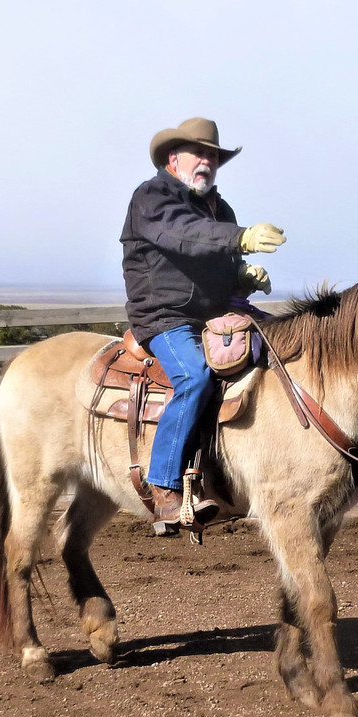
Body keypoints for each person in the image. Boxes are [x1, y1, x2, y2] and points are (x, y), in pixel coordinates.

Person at [120, 117, 285, 533]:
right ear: (174, 158)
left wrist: (242, 275)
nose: (207, 162)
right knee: (194, 376)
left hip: (213, 317)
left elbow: (216, 254)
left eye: (213, 155)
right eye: (200, 153)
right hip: (165, 316)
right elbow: (185, 236)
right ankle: (164, 487)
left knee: (277, 356)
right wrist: (240, 237)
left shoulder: (217, 206)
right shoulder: (152, 198)